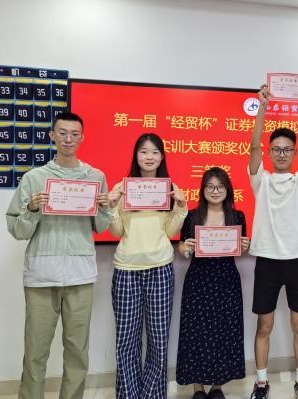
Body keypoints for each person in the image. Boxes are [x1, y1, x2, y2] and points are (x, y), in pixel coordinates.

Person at [5, 112, 114, 399]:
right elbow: (16, 229)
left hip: (80, 275)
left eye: (74, 134)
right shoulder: (34, 178)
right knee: (35, 351)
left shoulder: (95, 177)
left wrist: (104, 207)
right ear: (52, 136)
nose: (68, 139)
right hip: (41, 275)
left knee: (78, 351)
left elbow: (101, 227)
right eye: (62, 133)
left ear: (82, 137)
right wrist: (31, 209)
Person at [248, 84, 298, 399]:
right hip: (267, 260)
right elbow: (253, 147)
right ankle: (261, 382)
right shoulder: (260, 180)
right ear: (269, 152)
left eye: (287, 149)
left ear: (293, 152)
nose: (280, 154)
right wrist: (262, 106)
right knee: (264, 325)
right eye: (275, 149)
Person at [106, 132, 187, 398]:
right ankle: (129, 394)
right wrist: (112, 207)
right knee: (126, 341)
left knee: (158, 340)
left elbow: (171, 231)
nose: (149, 157)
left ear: (162, 157)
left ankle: (152, 394)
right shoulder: (123, 187)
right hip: (126, 269)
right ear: (136, 156)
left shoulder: (169, 189)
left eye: (154, 152)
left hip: (160, 268)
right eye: (143, 151)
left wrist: (181, 208)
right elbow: (117, 231)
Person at [176, 167, 250, 399]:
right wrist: (184, 249)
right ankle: (197, 388)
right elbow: (182, 247)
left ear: (227, 190)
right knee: (195, 334)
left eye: (220, 187)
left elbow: (240, 248)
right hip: (198, 280)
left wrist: (245, 247)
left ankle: (217, 386)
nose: (215, 191)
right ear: (203, 190)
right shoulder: (191, 216)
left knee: (224, 332)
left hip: (226, 281)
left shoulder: (237, 217)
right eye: (210, 186)